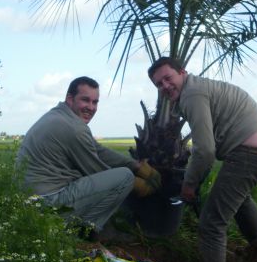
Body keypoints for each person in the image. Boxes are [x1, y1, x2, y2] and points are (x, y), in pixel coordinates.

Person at [148, 57, 257, 262]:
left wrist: (189, 184)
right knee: (237, 196)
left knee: (211, 224)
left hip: (249, 154)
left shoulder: (192, 94)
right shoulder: (198, 88)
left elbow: (205, 150)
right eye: (159, 84)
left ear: (182, 72)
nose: (165, 87)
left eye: (168, 78)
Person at [15, 76, 161, 236]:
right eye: (85, 100)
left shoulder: (59, 115)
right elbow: (96, 170)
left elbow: (97, 150)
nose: (91, 107)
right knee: (124, 178)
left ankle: (82, 226)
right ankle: (83, 230)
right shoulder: (74, 128)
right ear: (70, 99)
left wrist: (136, 165)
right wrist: (138, 183)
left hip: (30, 201)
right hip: (47, 203)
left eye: (95, 102)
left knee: (124, 174)